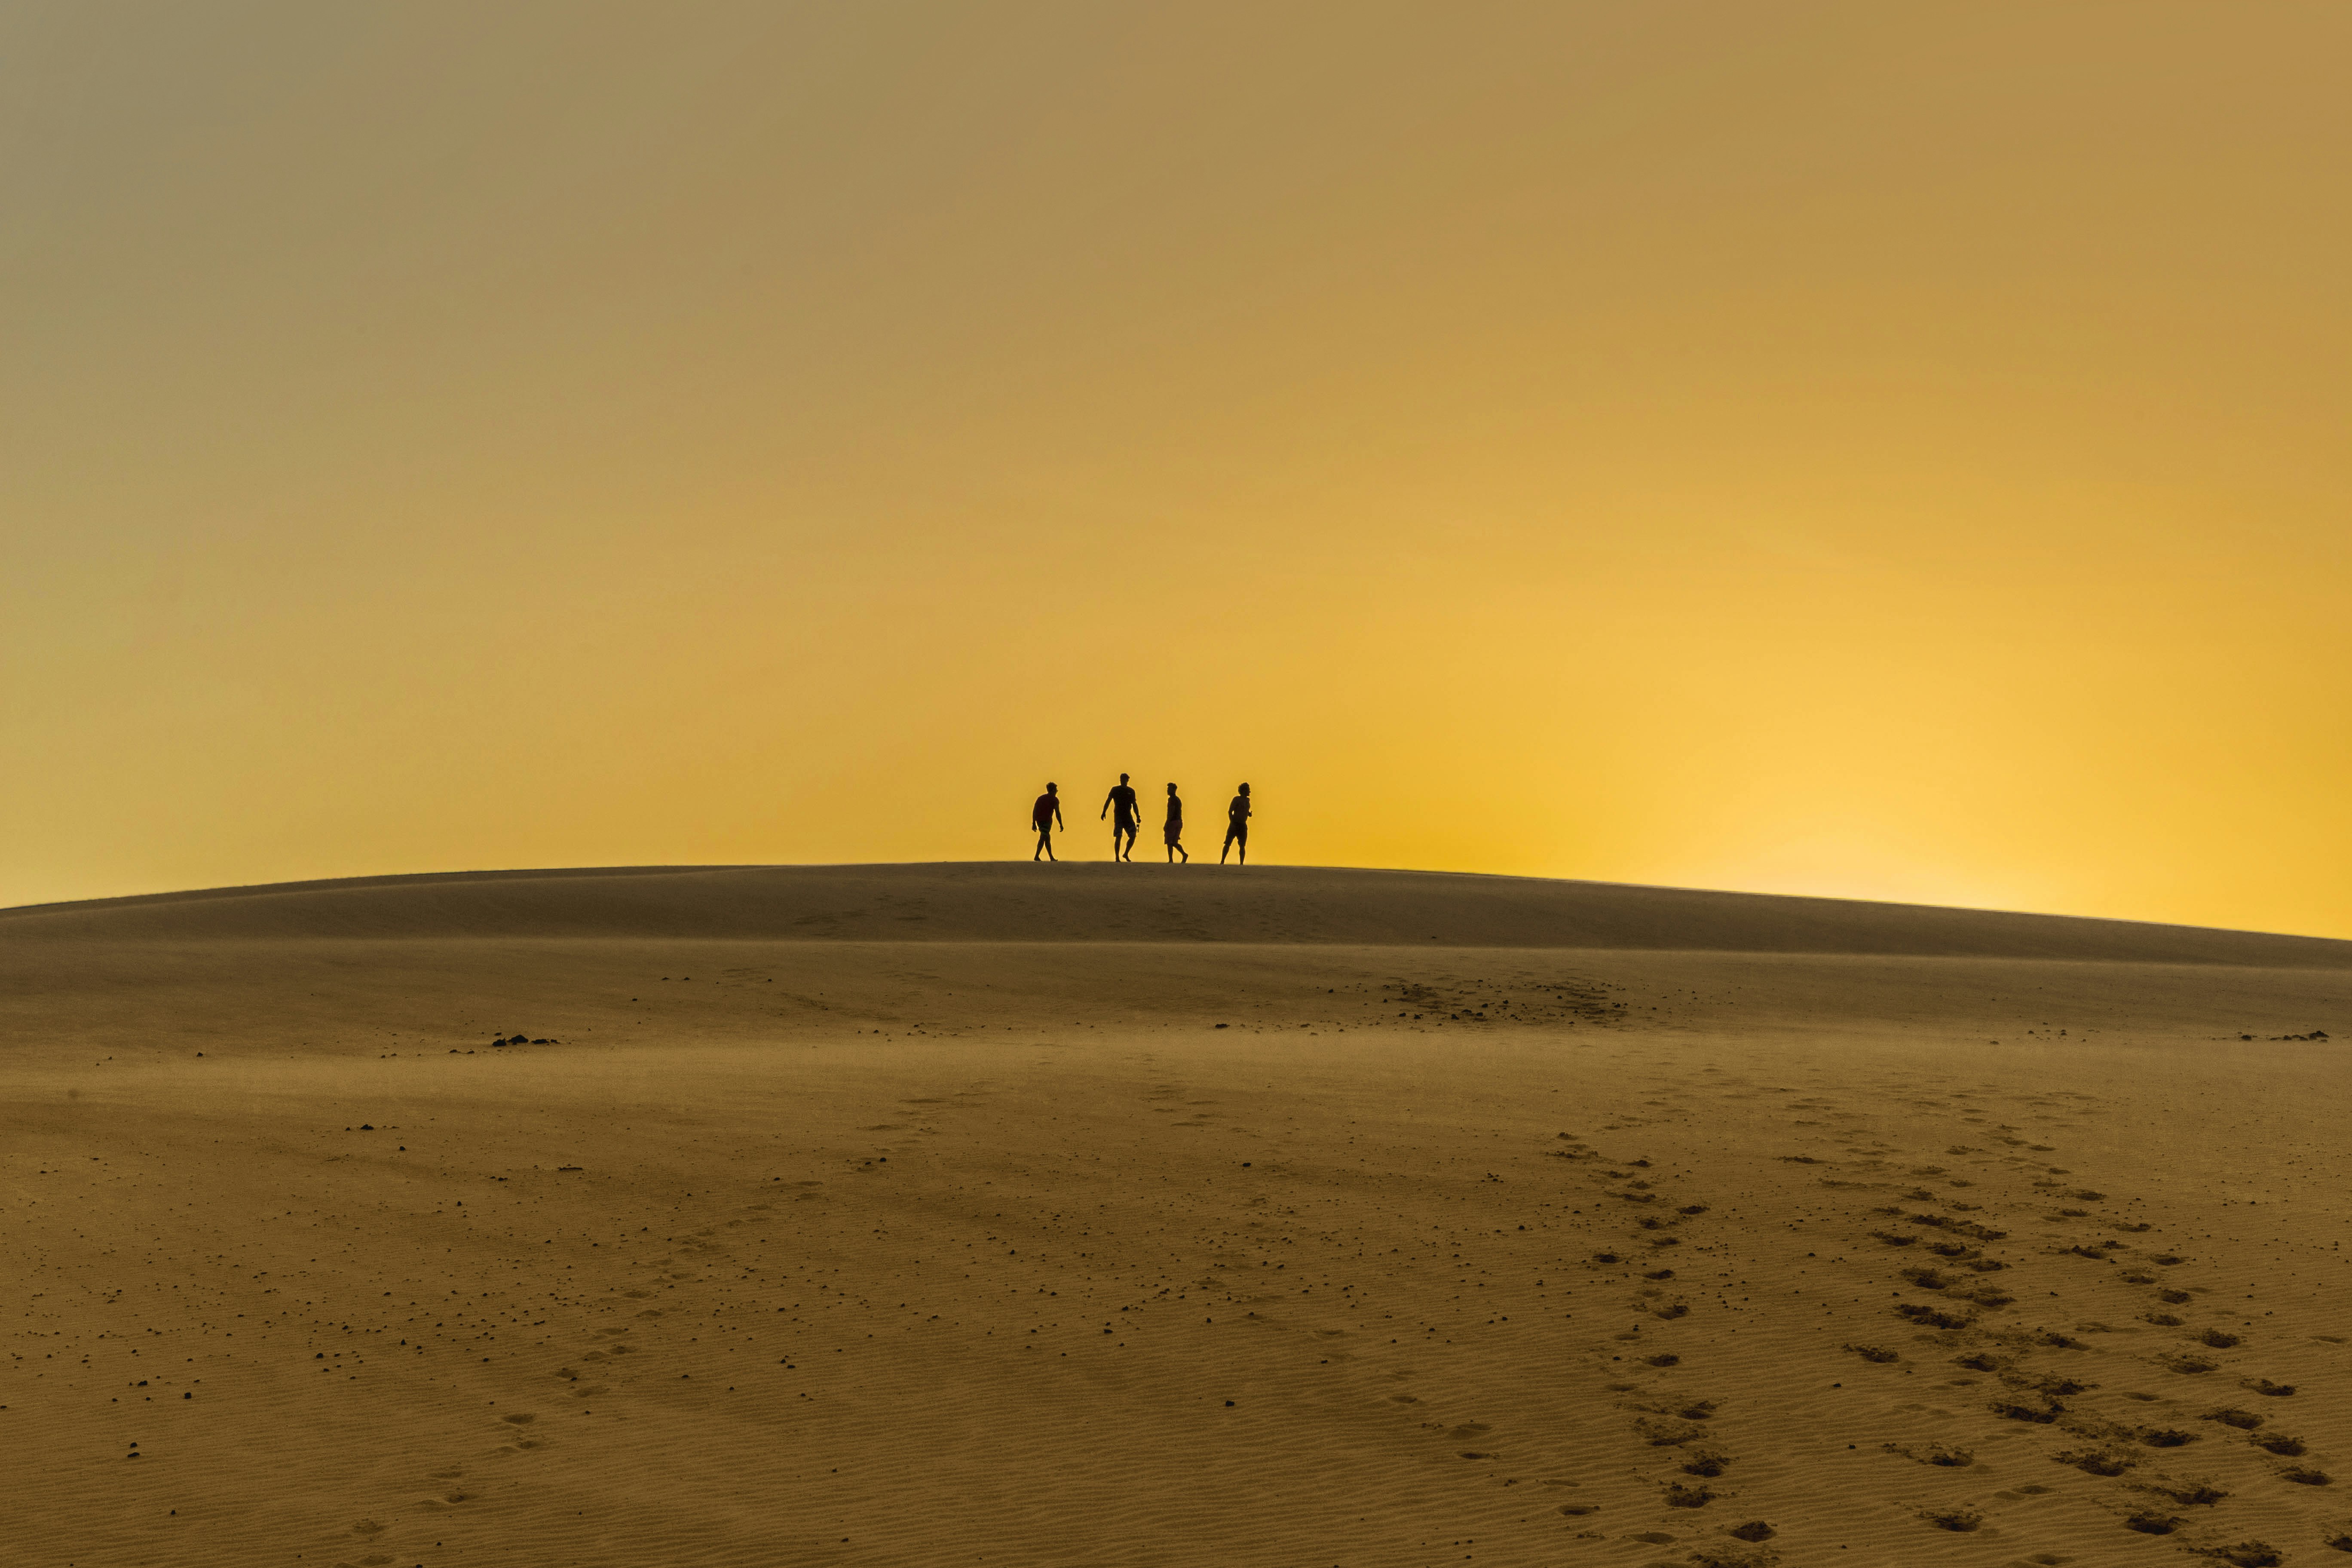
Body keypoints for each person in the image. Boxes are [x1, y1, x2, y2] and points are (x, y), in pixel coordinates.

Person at [1101, 773, 1140, 862]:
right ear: (1120, 780)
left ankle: (1126, 853)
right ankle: (1117, 858)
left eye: (1126, 780)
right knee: (1119, 836)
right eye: (1122, 779)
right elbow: (1108, 801)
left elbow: (1134, 804)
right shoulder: (1115, 790)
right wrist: (1104, 812)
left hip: (1128, 817)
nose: (1124, 781)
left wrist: (1138, 816)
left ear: (1127, 781)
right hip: (1119, 816)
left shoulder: (1131, 791)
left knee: (1133, 835)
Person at [1031, 782, 1064, 861]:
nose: (1056, 792)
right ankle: (1037, 856)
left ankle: (1051, 857)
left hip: (1039, 821)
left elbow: (1034, 811)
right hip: (1046, 822)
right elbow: (1057, 813)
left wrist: (1034, 823)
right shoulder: (1055, 800)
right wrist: (1061, 824)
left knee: (1047, 838)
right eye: (1056, 790)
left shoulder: (1040, 798)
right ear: (1053, 791)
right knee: (1043, 837)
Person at [1221, 781, 1252, 865]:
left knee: (1242, 846)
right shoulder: (1237, 799)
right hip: (1235, 825)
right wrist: (1232, 822)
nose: (1249, 792)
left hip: (1243, 825)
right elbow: (1230, 811)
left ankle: (1241, 863)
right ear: (1243, 791)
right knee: (1228, 843)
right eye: (1248, 790)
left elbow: (1245, 810)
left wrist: (1249, 814)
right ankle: (1222, 861)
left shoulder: (1247, 800)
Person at [1163, 782, 1188, 864]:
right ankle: (1184, 854)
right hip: (1179, 822)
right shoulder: (1177, 799)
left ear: (1174, 790)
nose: (1168, 790)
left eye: (1169, 789)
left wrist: (1167, 823)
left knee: (1170, 842)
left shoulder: (1172, 799)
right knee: (1174, 842)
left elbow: (1171, 811)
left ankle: (1171, 860)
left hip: (1173, 822)